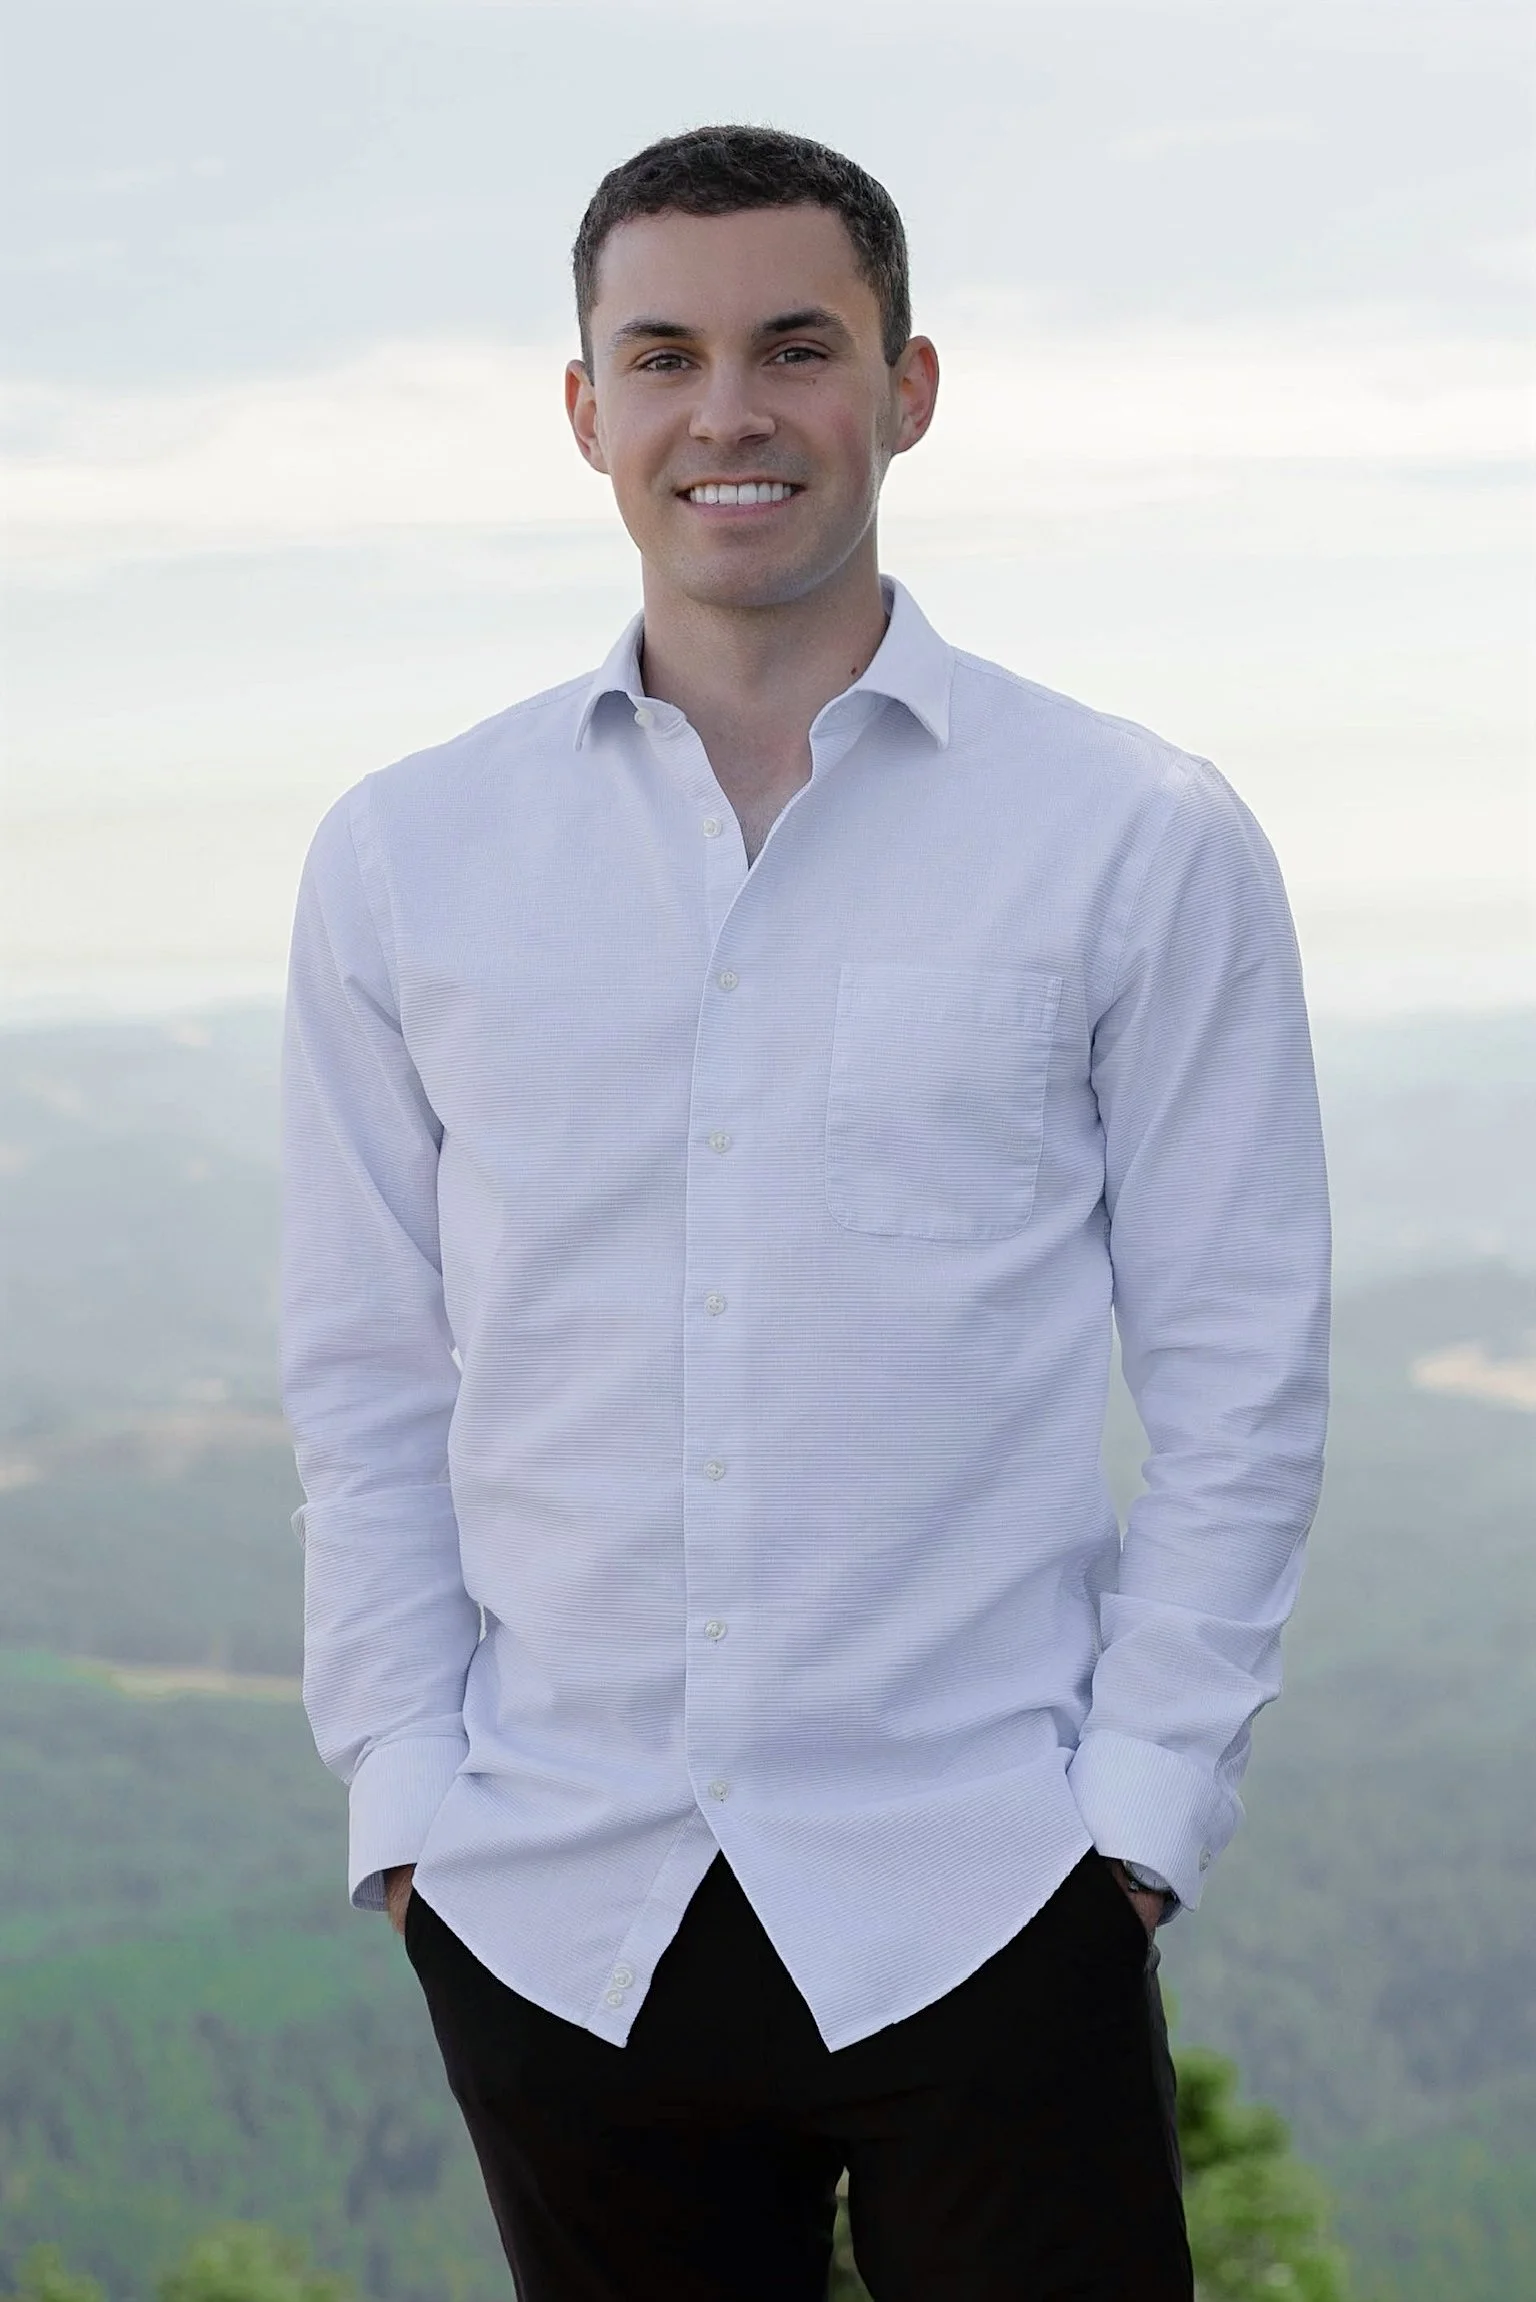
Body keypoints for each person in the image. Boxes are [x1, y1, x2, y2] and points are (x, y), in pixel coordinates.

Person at [279, 123, 1330, 2302]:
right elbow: (369, 1369)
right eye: (661, 354)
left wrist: (1137, 1817)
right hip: (552, 1901)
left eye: (797, 346)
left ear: (910, 385)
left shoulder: (1132, 832)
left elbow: (1241, 1368)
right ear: (586, 409)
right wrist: (406, 1794)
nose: (727, 411)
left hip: (994, 1887)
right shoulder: (405, 855)